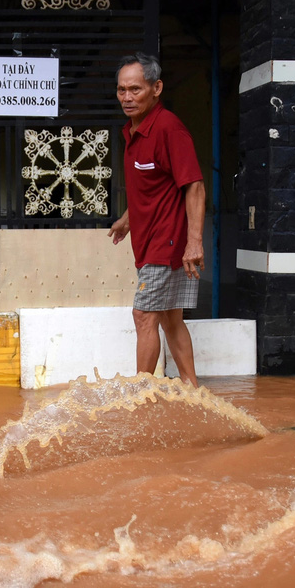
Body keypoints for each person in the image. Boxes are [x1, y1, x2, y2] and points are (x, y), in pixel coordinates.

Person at [108, 52, 206, 387]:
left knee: (143, 314)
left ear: (156, 88)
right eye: (121, 90)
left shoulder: (167, 129)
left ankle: (139, 395)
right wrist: (127, 218)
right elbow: (153, 187)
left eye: (135, 89)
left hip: (168, 243)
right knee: (169, 318)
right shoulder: (133, 131)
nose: (127, 97)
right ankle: (194, 391)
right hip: (148, 239)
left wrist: (194, 242)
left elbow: (193, 186)